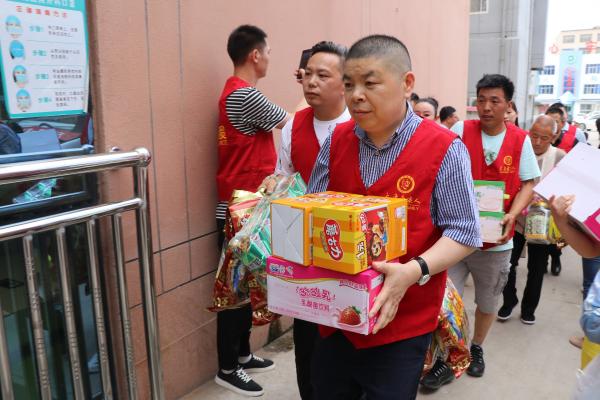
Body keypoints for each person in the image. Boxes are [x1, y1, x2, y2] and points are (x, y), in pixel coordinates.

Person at [308, 34, 481, 400]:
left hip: (401, 325)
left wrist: (414, 270)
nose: (356, 95)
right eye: (349, 84)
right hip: (335, 318)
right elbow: (313, 214)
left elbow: (464, 232)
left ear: (407, 83)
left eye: (370, 83)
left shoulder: (444, 148)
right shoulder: (336, 141)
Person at [214, 24, 290, 397]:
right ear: (255, 55)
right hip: (240, 210)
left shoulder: (236, 93)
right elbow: (291, 123)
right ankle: (227, 368)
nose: (270, 59)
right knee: (235, 291)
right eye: (269, 52)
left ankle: (243, 355)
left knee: (246, 285)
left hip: (245, 206)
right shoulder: (244, 95)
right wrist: (313, 86)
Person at [448, 74, 540, 377]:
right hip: (456, 237)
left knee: (487, 302)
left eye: (494, 101)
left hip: (497, 242)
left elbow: (529, 182)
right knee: (447, 299)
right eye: (481, 100)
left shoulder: (520, 139)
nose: (486, 107)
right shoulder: (461, 130)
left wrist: (513, 213)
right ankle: (449, 352)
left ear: (507, 105)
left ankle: (476, 347)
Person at [274, 40, 350, 400]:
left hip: (348, 252)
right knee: (307, 343)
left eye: (323, 75)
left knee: (346, 342)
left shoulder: (361, 124)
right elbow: (283, 181)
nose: (312, 82)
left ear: (345, 82)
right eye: (307, 74)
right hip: (305, 255)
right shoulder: (293, 127)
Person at [497, 115, 565, 324]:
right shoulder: (520, 149)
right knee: (507, 264)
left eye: (544, 138)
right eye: (534, 135)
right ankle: (509, 301)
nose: (537, 142)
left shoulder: (559, 156)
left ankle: (529, 309)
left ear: (554, 137)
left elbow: (566, 189)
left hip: (542, 225)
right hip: (516, 219)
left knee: (536, 269)